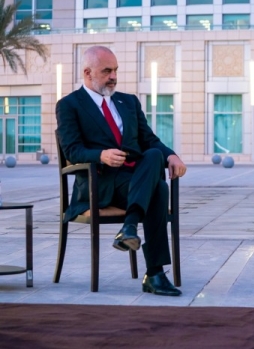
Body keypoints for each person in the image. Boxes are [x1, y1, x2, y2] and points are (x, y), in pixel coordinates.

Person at [56, 46, 187, 296]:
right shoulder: (69, 105)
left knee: (155, 155)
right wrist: (101, 155)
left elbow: (149, 140)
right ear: (87, 72)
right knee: (159, 189)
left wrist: (172, 155)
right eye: (107, 71)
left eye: (115, 70)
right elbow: (72, 150)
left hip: (133, 181)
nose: (114, 76)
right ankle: (155, 274)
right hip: (100, 185)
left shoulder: (128, 102)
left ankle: (129, 227)